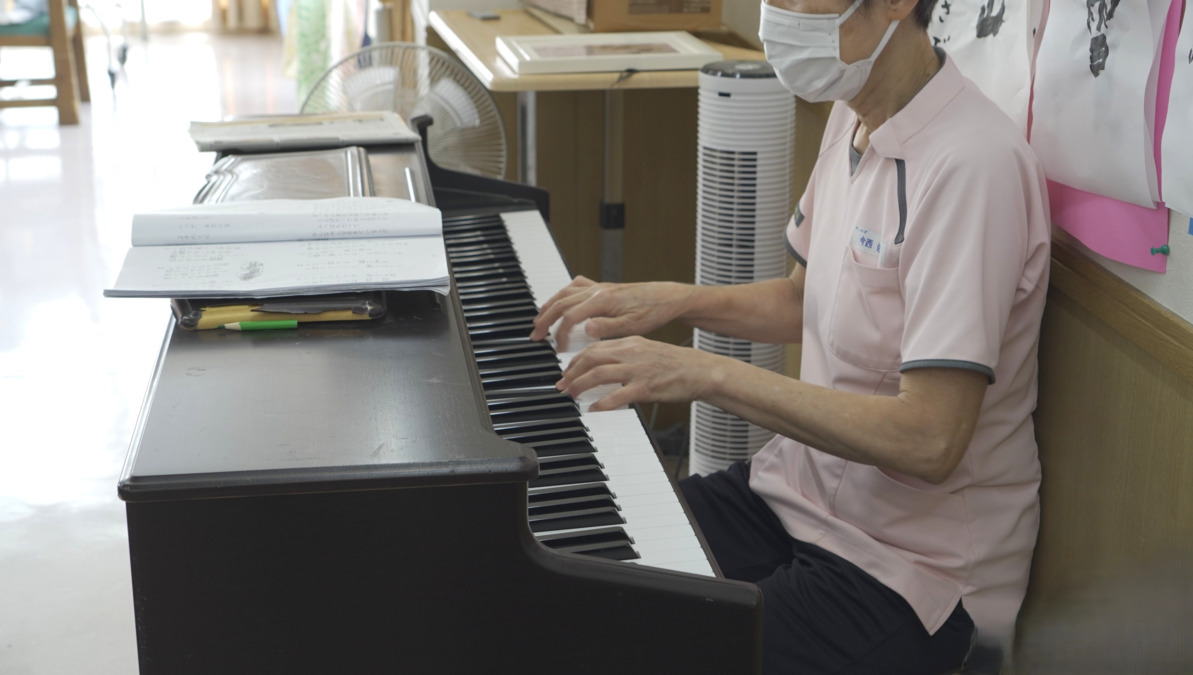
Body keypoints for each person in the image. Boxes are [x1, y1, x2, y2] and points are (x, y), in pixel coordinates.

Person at [529, 0, 1052, 672]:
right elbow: (803, 298)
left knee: (660, 645)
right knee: (582, 568)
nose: (777, 13)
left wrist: (705, 373)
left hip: (913, 570)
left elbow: (930, 438)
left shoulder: (973, 166)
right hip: (797, 493)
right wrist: (669, 300)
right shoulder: (853, 113)